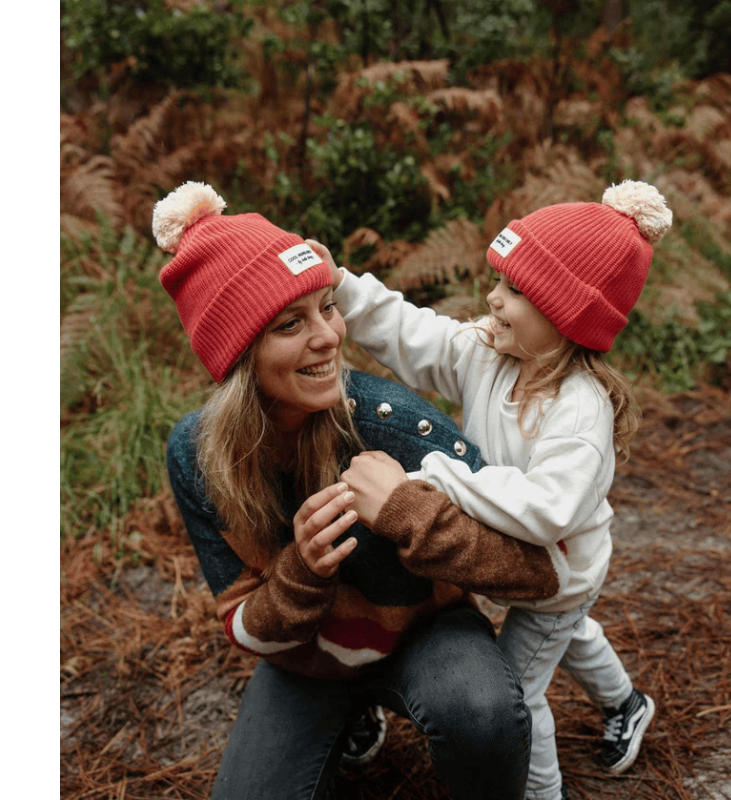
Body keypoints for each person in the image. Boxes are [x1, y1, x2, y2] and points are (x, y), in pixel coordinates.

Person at [152, 181, 572, 800]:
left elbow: (541, 573)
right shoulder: (197, 457)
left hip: (430, 638)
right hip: (304, 663)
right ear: (238, 357)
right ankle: (349, 716)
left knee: (483, 714)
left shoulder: (395, 426)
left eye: (328, 306)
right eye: (291, 324)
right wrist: (300, 573)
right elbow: (241, 624)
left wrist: (409, 514)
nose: (328, 336)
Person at [311, 180, 670, 800]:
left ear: (566, 315)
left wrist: (443, 477)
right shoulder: (492, 353)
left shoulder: (578, 412)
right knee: (574, 635)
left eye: (516, 291)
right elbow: (413, 335)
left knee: (521, 690)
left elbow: (546, 510)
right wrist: (342, 285)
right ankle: (627, 702)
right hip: (525, 559)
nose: (493, 298)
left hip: (558, 571)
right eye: (499, 281)